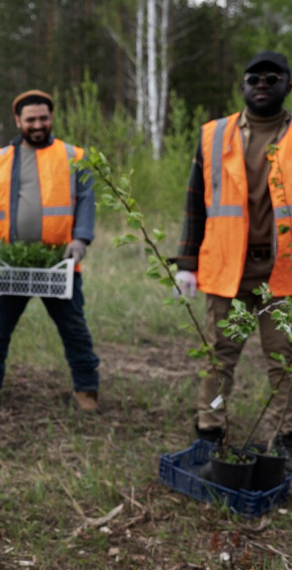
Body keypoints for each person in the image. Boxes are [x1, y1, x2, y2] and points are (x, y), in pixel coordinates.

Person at [172, 50, 292, 447]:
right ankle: (211, 429)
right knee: (218, 357)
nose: (262, 85)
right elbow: (195, 202)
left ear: (287, 85)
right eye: (254, 78)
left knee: (284, 361)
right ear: (242, 85)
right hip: (228, 270)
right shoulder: (214, 135)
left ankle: (284, 435)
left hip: (284, 275)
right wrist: (187, 262)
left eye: (272, 78)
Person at [0, 90, 100, 414]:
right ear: (18, 121)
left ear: (52, 117)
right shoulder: (0, 159)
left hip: (59, 264)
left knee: (74, 329)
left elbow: (86, 200)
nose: (38, 124)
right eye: (31, 119)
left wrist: (81, 240)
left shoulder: (73, 156)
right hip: (10, 263)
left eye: (44, 118)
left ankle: (86, 389)